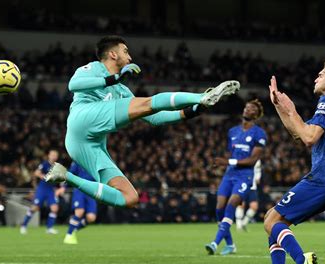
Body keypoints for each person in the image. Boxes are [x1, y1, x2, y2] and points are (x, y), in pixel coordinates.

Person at [44, 35, 240, 211]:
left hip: (84, 145)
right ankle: (202, 96)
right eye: (125, 51)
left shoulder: (123, 91)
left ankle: (65, 175)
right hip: (81, 121)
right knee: (147, 101)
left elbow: (155, 118)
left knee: (129, 198)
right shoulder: (94, 68)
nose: (130, 57)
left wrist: (191, 112)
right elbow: (73, 85)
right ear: (112, 54)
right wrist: (112, 79)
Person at [255, 60, 325, 264]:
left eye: (320, 75)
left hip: (324, 178)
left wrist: (293, 111)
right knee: (275, 217)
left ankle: (302, 261)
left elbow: (309, 137)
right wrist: (281, 107)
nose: (315, 78)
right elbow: (299, 134)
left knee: (270, 221)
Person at [204, 99, 267, 255]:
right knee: (219, 208)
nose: (247, 109)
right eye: (246, 107)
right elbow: (229, 154)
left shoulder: (259, 133)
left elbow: (253, 160)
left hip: (245, 176)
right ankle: (231, 244)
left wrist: (227, 161)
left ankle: (215, 243)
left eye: (252, 109)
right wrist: (221, 164)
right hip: (229, 174)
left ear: (256, 114)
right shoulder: (233, 131)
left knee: (232, 203)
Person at [20, 150, 65, 234]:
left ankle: (49, 228)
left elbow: (61, 179)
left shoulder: (58, 167)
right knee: (35, 208)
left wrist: (60, 188)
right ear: (49, 155)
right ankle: (23, 225)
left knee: (54, 208)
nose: (54, 156)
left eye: (55, 155)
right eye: (52, 155)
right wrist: (44, 177)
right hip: (42, 189)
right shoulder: (44, 164)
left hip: (51, 190)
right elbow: (36, 173)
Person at [63, 162, 98, 245]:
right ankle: (68, 235)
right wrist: (64, 187)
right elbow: (69, 174)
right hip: (80, 189)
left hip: (91, 190)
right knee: (79, 212)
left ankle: (74, 229)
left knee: (91, 217)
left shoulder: (95, 162)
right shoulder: (78, 161)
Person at [235, 160, 262, 231]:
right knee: (241, 205)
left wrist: (258, 178)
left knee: (254, 207)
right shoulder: (243, 156)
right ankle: (238, 225)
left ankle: (244, 223)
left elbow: (258, 170)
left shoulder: (257, 160)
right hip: (242, 185)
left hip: (253, 187)